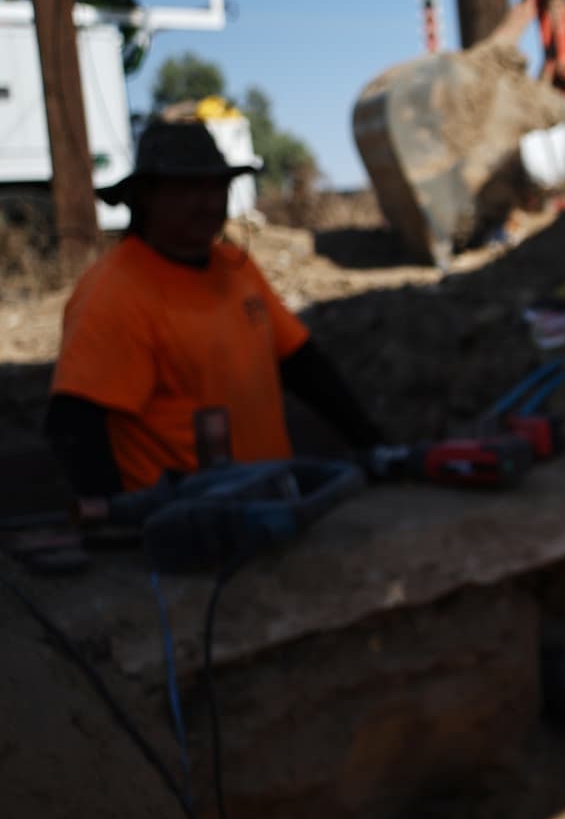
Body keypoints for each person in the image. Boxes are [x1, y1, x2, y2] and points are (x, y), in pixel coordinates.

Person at [44, 118, 385, 521]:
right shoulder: (115, 291)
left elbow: (302, 365)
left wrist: (374, 446)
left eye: (217, 187)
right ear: (147, 196)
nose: (209, 202)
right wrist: (119, 525)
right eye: (190, 189)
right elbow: (75, 422)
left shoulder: (235, 268)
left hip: (269, 505)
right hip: (188, 526)